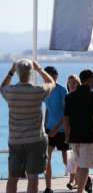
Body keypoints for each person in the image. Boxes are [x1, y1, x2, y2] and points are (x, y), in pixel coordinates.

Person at [0, 59, 55, 193]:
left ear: (18, 73)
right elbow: (51, 83)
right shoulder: (38, 91)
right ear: (31, 73)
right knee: (33, 178)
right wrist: (40, 69)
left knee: (13, 178)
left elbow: (2, 87)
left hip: (15, 140)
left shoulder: (11, 92)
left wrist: (11, 72)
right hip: (36, 140)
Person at [64, 69, 93, 193]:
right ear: (89, 79)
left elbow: (66, 118)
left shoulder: (70, 97)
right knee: (84, 166)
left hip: (74, 136)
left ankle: (80, 188)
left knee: (79, 164)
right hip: (88, 136)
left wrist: (67, 134)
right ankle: (80, 190)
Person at [43, 66, 69, 193]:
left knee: (66, 160)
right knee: (46, 158)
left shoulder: (62, 90)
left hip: (62, 130)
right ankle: (48, 187)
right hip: (49, 129)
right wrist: (45, 125)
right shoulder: (45, 90)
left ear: (55, 76)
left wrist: (56, 128)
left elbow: (66, 113)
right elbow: (48, 108)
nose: (46, 78)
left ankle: (86, 179)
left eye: (49, 75)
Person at [65, 75, 81, 190]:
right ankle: (75, 180)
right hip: (70, 132)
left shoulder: (81, 98)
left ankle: (76, 181)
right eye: (70, 82)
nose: (72, 85)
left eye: (75, 83)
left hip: (80, 132)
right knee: (72, 158)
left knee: (77, 158)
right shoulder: (67, 97)